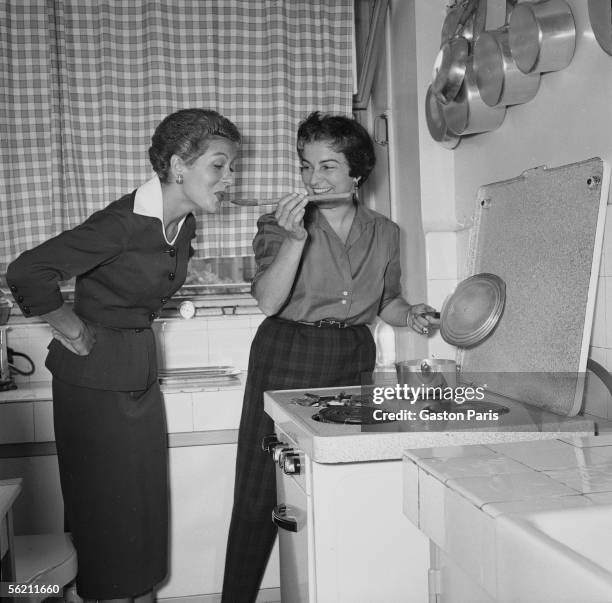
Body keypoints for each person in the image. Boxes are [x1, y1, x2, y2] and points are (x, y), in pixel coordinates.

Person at [6, 109, 241, 603]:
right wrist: (68, 324)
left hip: (136, 372)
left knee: (142, 517)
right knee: (109, 525)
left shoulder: (181, 222)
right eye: (219, 166)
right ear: (179, 165)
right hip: (95, 384)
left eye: (230, 167)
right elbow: (28, 272)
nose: (228, 178)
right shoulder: (121, 223)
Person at [221, 111, 439, 603]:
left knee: (338, 482)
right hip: (288, 349)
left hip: (352, 354)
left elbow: (388, 302)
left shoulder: (386, 232)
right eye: (305, 166)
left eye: (327, 168)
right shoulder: (281, 222)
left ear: (356, 174)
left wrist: (413, 315)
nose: (312, 179)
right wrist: (296, 238)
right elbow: (268, 301)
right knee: (262, 489)